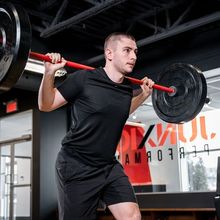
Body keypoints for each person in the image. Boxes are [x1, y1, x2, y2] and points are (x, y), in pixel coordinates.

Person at [38, 32, 154, 220]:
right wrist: (49, 73)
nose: (133, 56)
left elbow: (120, 111)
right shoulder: (84, 79)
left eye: (135, 51)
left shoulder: (126, 89)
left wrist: (143, 95)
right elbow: (46, 105)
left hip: (108, 166)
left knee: (132, 217)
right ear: (109, 54)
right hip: (77, 165)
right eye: (127, 50)